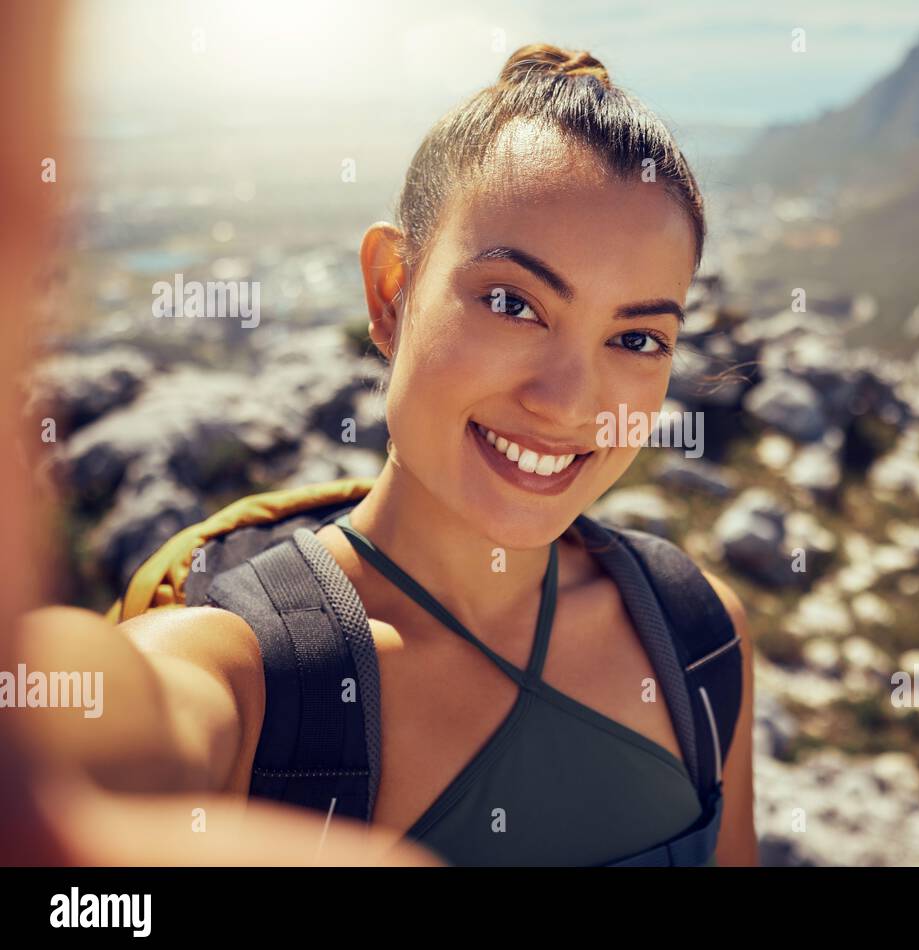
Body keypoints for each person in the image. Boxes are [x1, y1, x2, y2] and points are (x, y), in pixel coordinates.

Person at [31, 42, 758, 866]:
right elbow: (130, 711)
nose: (567, 401)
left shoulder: (699, 633)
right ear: (390, 290)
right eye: (512, 302)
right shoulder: (258, 678)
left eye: (636, 337)